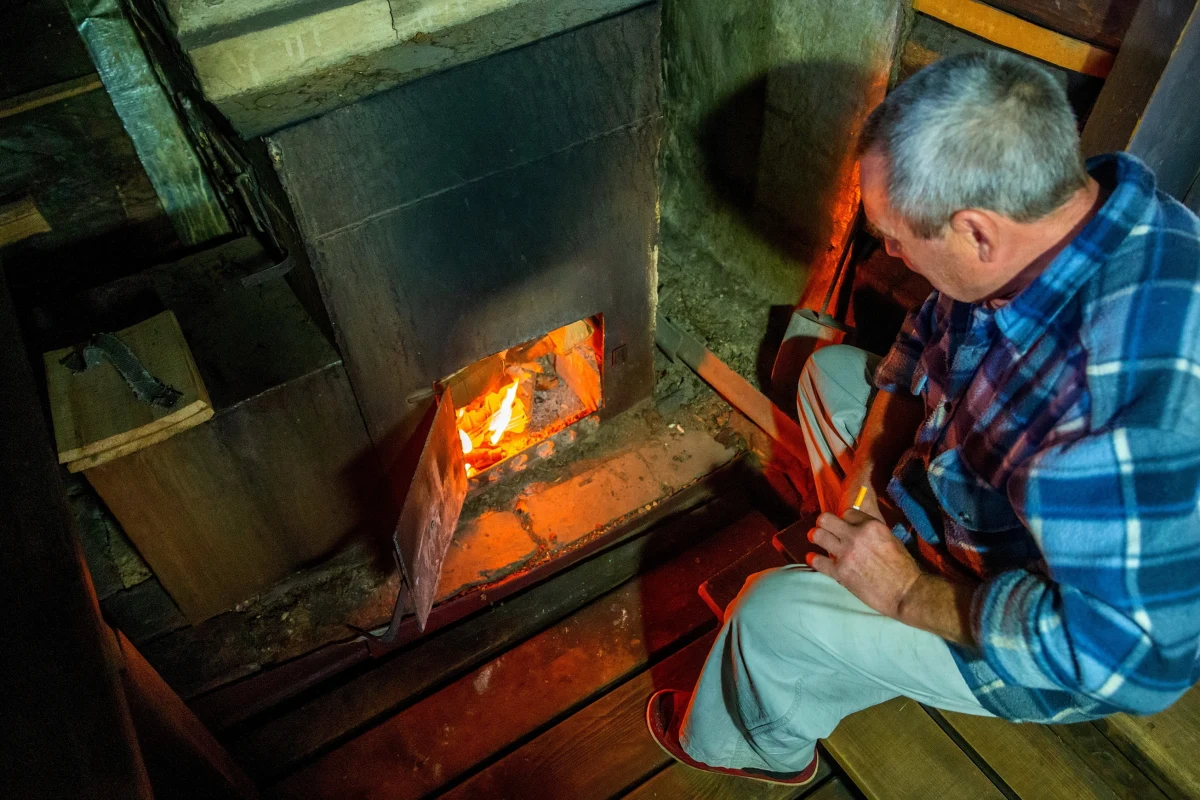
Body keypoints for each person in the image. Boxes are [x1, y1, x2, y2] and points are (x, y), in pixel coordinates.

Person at [645, 50, 1200, 786]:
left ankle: (754, 745)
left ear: (975, 232)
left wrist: (907, 591)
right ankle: (851, 597)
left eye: (897, 237)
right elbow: (920, 344)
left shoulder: (1121, 414)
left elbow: (1129, 660)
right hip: (958, 502)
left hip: (1034, 618)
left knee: (765, 618)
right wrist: (863, 486)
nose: (890, 252)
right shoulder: (1064, 218)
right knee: (826, 373)